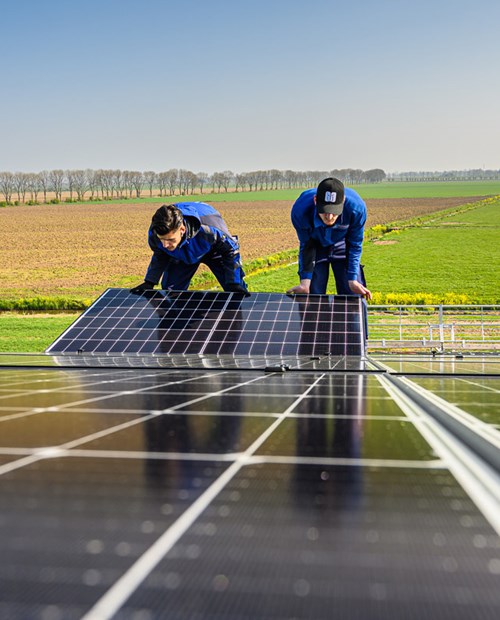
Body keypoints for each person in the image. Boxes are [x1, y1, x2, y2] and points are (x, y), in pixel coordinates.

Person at [130, 202, 249, 295]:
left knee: (236, 290)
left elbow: (231, 250)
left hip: (214, 249)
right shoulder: (155, 234)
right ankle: (178, 323)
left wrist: (233, 282)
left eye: (170, 240)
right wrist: (150, 281)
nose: (165, 245)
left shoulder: (210, 230)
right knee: (172, 293)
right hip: (181, 253)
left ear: (182, 230)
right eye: (162, 240)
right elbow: (160, 254)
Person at [287, 177, 372, 300]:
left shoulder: (356, 210)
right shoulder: (300, 211)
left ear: (343, 201)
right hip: (316, 246)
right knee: (313, 294)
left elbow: (354, 245)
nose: (329, 217)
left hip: (343, 243)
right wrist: (305, 282)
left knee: (352, 293)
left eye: (334, 211)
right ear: (316, 201)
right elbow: (306, 245)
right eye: (325, 211)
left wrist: (352, 279)